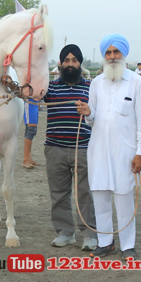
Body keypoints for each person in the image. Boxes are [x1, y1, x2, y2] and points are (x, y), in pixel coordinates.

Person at [77, 33, 141, 261]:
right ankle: (105, 243)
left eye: (116, 52)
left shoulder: (137, 82)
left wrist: (140, 153)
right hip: (98, 150)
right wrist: (88, 113)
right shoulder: (96, 83)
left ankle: (128, 246)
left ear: (123, 54)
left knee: (124, 198)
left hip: (125, 152)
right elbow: (92, 119)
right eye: (108, 53)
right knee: (100, 197)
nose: (112, 57)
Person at [42, 44, 97, 250]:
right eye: (66, 60)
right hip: (55, 148)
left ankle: (90, 234)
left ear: (80, 63)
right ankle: (65, 232)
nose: (70, 64)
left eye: (74, 60)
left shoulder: (92, 88)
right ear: (61, 64)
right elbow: (32, 94)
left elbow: (98, 114)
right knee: (58, 193)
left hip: (83, 148)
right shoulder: (50, 87)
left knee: (85, 193)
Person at [22, 98, 41, 169]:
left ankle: (28, 158)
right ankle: (25, 159)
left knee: (30, 130)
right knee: (31, 130)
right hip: (29, 102)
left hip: (34, 102)